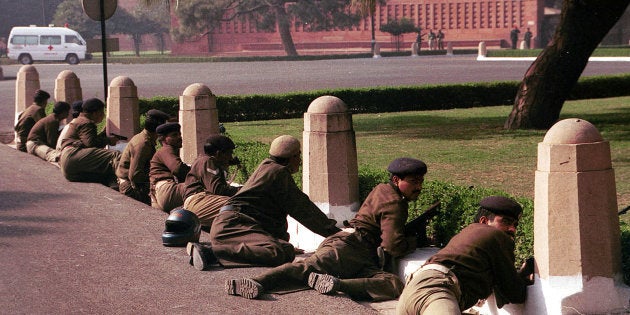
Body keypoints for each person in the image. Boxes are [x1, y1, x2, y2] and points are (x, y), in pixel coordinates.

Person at [225, 157, 428, 301]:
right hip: (351, 247)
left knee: (392, 282)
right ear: (396, 180)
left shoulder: (381, 189)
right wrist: (414, 241)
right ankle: (256, 282)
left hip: (359, 253)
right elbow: (393, 246)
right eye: (413, 182)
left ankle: (336, 284)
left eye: (420, 181)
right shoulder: (396, 203)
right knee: (307, 267)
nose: (418, 187)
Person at [188, 135, 341, 271]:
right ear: (292, 157)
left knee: (284, 248)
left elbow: (271, 217)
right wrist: (336, 234)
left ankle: (215, 250)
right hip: (233, 226)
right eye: (298, 156)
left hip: (231, 225)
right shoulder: (278, 173)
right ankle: (210, 252)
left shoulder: (268, 166)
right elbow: (303, 209)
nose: (300, 161)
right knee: (281, 253)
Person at [396, 196, 535, 315]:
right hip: (437, 292)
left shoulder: (468, 233)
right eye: (505, 221)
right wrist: (522, 277)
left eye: (515, 224)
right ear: (484, 221)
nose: (512, 229)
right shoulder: (496, 236)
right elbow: (514, 293)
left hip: (411, 292)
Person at [181, 134, 241, 227]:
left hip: (198, 202)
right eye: (229, 153)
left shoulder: (203, 160)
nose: (231, 157)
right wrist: (242, 190)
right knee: (241, 204)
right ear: (218, 153)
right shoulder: (208, 161)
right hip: (197, 201)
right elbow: (218, 190)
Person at [59, 98, 121, 187]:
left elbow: (87, 140)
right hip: (72, 156)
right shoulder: (86, 122)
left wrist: (103, 134)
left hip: (68, 168)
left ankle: (115, 186)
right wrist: (108, 140)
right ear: (95, 113)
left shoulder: (79, 120)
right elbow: (91, 143)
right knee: (115, 156)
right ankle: (127, 183)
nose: (103, 115)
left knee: (106, 174)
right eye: (101, 112)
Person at [116, 109, 170, 205]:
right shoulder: (143, 144)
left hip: (132, 184)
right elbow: (135, 175)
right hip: (131, 188)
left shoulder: (145, 138)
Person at [149, 122, 191, 213]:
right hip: (166, 191)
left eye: (179, 134)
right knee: (200, 187)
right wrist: (197, 172)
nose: (179, 137)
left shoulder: (166, 151)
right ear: (164, 139)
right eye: (174, 135)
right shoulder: (166, 150)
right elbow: (178, 169)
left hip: (159, 193)